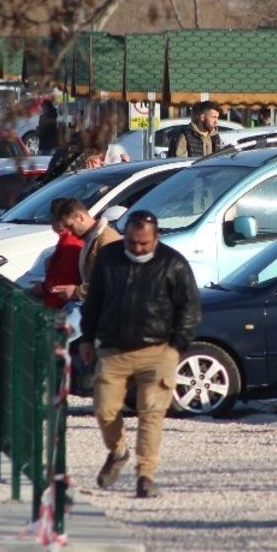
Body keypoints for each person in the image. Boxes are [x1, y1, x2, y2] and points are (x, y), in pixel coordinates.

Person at [80, 210, 200, 498]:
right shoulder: (109, 258)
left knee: (151, 414)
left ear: (156, 237)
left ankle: (145, 476)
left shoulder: (173, 264)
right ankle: (118, 451)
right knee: (104, 409)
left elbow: (190, 308)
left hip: (158, 350)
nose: (137, 249)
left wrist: (176, 347)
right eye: (132, 242)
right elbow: (94, 300)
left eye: (144, 243)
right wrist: (87, 338)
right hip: (113, 348)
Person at [51, 198, 122, 302]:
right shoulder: (90, 239)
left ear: (80, 217)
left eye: (70, 226)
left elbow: (113, 283)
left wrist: (77, 292)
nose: (69, 233)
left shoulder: (107, 240)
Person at [30, 200, 85, 310]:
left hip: (61, 307)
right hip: (57, 304)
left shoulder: (70, 241)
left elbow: (66, 280)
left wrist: (43, 287)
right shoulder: (66, 240)